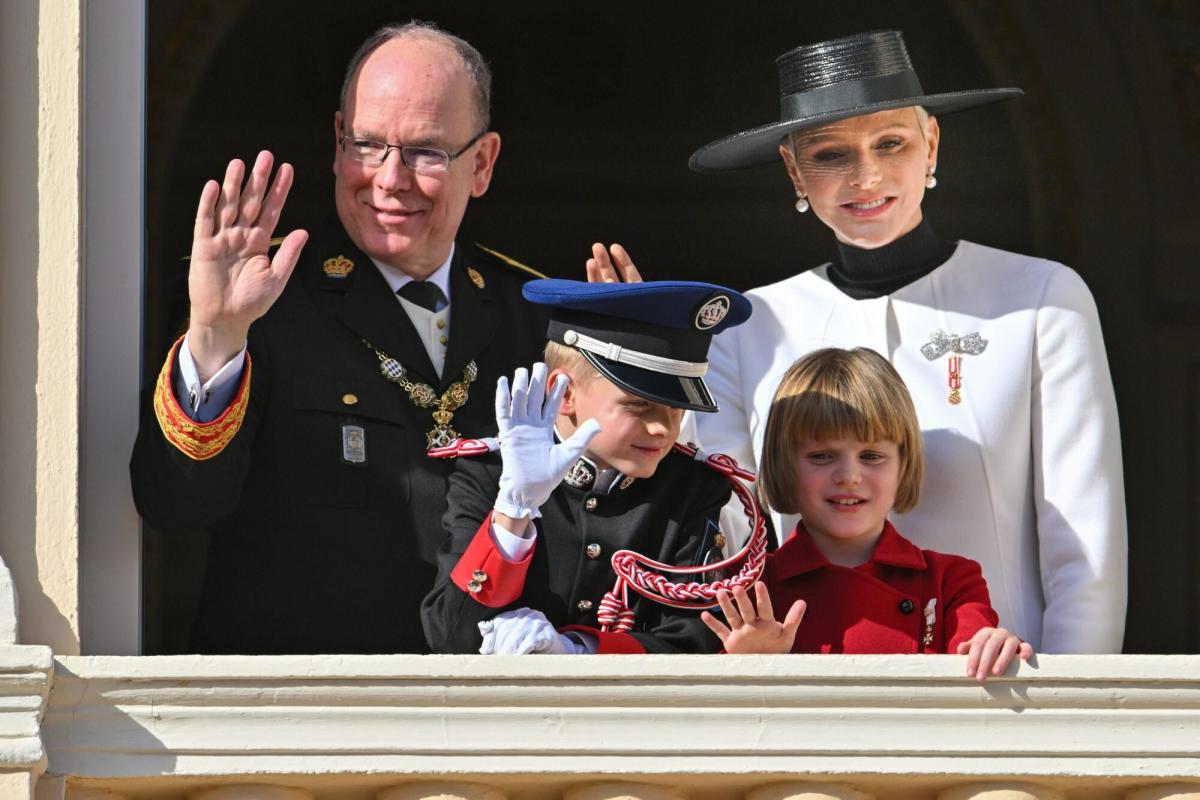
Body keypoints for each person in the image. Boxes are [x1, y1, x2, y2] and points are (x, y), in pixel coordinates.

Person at [685, 30, 1127, 653]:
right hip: (807, 702)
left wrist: (1069, 720)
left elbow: (1086, 548)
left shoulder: (1041, 299)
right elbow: (726, 541)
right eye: (830, 154)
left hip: (1003, 700)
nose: (865, 176)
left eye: (890, 143)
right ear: (793, 170)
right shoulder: (747, 324)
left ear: (932, 146)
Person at [130, 22, 550, 654]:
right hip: (299, 720)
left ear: (482, 163)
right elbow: (174, 507)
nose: (389, 178)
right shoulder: (263, 297)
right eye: (368, 145)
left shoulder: (534, 318)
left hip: (496, 723)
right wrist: (216, 336)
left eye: (426, 152)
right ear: (336, 142)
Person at [422, 279, 754, 654]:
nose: (663, 428)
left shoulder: (693, 488)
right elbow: (450, 636)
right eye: (639, 405)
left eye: (677, 410)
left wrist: (581, 650)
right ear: (564, 394)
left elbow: (698, 639)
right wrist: (513, 513)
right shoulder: (490, 473)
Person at [700, 348, 1033, 681]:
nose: (849, 475)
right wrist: (748, 663)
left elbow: (975, 655)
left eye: (871, 455)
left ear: (904, 466)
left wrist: (995, 646)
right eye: (821, 456)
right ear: (783, 465)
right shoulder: (752, 585)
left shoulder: (951, 581)